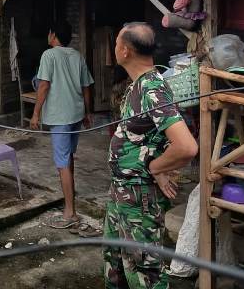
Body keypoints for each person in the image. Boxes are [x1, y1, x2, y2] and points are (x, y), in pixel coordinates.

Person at [104, 22, 198, 289]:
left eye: (116, 44)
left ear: (124, 51)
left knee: (146, 272)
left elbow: (187, 147)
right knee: (116, 264)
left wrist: (156, 167)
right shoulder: (139, 85)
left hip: (138, 197)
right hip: (122, 193)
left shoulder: (152, 89)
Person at [30, 20, 94, 229]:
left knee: (62, 163)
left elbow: (43, 85)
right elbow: (86, 87)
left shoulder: (48, 55)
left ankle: (70, 212)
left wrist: (35, 113)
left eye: (49, 32)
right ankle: (70, 203)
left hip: (60, 116)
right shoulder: (77, 55)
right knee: (68, 158)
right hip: (75, 113)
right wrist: (87, 111)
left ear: (53, 34)